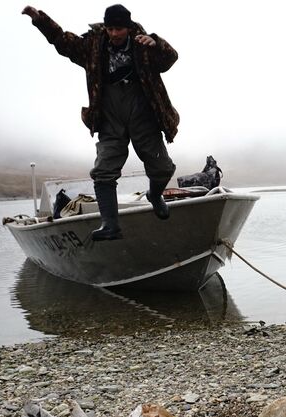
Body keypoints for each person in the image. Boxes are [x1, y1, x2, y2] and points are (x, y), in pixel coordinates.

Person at [22, 4, 179, 240]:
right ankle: (110, 225)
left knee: (163, 167)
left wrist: (157, 42)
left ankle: (155, 196)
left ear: (127, 27)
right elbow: (62, 41)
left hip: (143, 115)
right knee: (103, 170)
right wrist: (40, 20)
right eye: (110, 28)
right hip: (109, 117)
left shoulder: (143, 44)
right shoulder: (92, 46)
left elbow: (170, 58)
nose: (114, 34)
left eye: (118, 29)